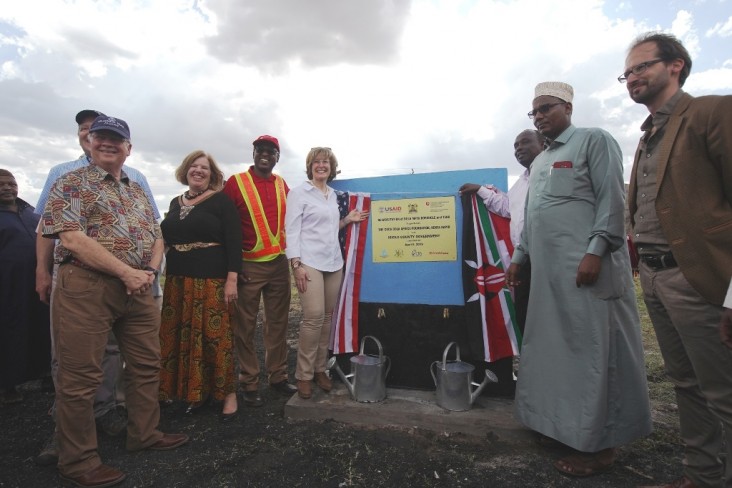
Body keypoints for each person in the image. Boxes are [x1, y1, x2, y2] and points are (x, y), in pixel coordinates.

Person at [506, 81, 652, 476]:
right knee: (555, 355)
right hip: (549, 280)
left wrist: (596, 251)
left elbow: (612, 200)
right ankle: (561, 428)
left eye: (546, 109)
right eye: (534, 112)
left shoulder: (594, 141)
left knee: (594, 356)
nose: (539, 117)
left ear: (567, 107)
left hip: (588, 274)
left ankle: (600, 448)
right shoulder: (539, 162)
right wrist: (520, 256)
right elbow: (533, 217)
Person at [41, 115, 188, 488]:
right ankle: (77, 460)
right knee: (80, 376)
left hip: (138, 287)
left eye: (116, 139)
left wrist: (150, 272)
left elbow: (157, 234)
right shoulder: (71, 182)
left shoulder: (136, 188)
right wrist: (125, 273)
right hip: (87, 286)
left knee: (145, 364)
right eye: (100, 137)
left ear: (128, 148)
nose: (108, 143)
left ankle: (145, 433)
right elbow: (70, 237)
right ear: (89, 143)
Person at [622, 32, 732, 488]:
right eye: (626, 73)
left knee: (724, 392)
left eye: (641, 67)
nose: (632, 78)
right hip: (654, 275)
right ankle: (702, 476)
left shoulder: (711, 112)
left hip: (700, 277)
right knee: (685, 385)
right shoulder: (647, 136)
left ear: (676, 65)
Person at [158, 150, 242, 421]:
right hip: (178, 280)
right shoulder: (174, 202)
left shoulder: (222, 201)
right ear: (185, 171)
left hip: (212, 279)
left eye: (204, 167)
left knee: (215, 338)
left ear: (212, 174)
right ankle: (194, 392)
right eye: (194, 166)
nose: (198, 171)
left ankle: (228, 394)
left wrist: (232, 280)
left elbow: (234, 243)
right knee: (182, 337)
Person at [285, 147, 368, 399]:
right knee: (313, 317)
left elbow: (332, 227)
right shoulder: (299, 193)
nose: (321, 165)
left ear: (331, 167)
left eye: (326, 162)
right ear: (310, 166)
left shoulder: (332, 195)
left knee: (327, 318)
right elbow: (291, 230)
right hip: (308, 262)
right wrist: (296, 264)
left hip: (333, 262)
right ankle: (303, 374)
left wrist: (348, 219)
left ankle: (321, 369)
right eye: (317, 162)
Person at [223, 135, 296, 407]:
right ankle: (249, 381)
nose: (265, 155)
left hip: (278, 265)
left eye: (271, 151)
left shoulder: (281, 184)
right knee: (245, 326)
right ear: (253, 153)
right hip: (248, 267)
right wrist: (233, 265)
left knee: (278, 324)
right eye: (261, 150)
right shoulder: (235, 183)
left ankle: (277, 377)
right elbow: (225, 225)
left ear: (277, 157)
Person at [0, 170, 51, 404]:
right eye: (1, 184)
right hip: (8, 285)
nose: (8, 187)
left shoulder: (31, 212)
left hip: (36, 281)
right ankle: (7, 385)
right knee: (9, 329)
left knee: (39, 326)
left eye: (11, 183)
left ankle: (40, 374)